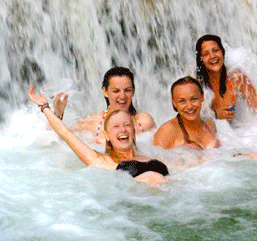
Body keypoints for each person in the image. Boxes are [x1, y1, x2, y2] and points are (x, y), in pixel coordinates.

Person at [28, 85, 168, 187]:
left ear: (134, 131)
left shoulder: (152, 154)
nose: (123, 130)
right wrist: (45, 108)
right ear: (106, 135)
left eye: (127, 125)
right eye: (116, 126)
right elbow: (65, 134)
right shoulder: (99, 161)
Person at [52, 66, 156, 145]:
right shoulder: (93, 124)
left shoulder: (145, 122)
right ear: (105, 91)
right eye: (116, 91)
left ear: (133, 92)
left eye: (127, 90)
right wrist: (57, 115)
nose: (122, 96)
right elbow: (55, 137)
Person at [195, 34, 257, 121]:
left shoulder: (237, 78)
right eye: (206, 54)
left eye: (215, 50)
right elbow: (187, 119)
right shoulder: (194, 83)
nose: (212, 56)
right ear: (201, 59)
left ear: (222, 52)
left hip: (235, 132)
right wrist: (215, 114)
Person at [153, 76, 220, 150]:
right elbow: (155, 160)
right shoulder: (167, 132)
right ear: (174, 103)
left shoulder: (209, 123)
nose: (189, 106)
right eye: (182, 101)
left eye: (194, 99)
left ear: (202, 97)